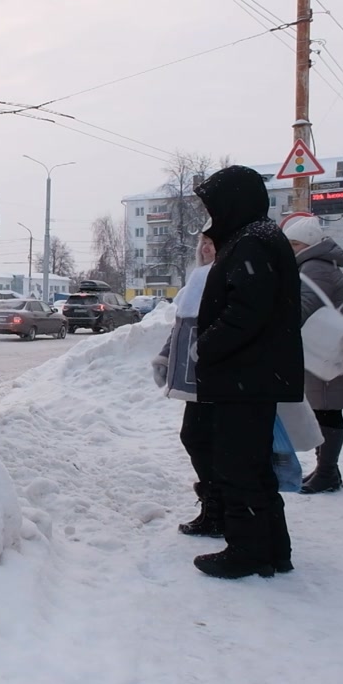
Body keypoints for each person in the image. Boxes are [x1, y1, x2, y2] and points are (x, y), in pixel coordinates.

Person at [191, 165, 304, 579]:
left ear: (233, 201)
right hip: (254, 374)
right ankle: (273, 548)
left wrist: (206, 344)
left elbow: (246, 311)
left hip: (245, 375)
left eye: (213, 204)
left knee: (237, 466)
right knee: (253, 466)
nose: (210, 213)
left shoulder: (251, 243)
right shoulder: (258, 237)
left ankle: (247, 551)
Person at [279, 214, 343, 494]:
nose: (289, 249)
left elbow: (303, 306)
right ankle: (328, 470)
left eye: (294, 244)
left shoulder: (314, 267)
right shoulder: (318, 264)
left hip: (326, 351)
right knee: (324, 409)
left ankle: (327, 472)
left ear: (308, 244)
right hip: (327, 348)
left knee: (326, 410)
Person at [151, 224, 222, 536]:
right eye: (203, 243)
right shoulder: (198, 278)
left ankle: (220, 508)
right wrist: (166, 356)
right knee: (196, 437)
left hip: (215, 375)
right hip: (198, 377)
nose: (206, 248)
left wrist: (206, 351)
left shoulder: (223, 279)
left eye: (212, 242)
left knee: (203, 439)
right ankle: (214, 506)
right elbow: (180, 327)